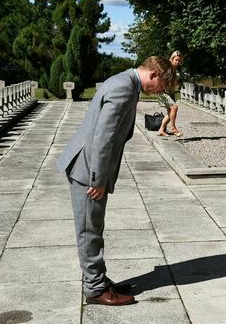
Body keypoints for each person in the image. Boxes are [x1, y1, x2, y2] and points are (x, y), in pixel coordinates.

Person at [56, 56, 176, 306]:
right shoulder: (124, 87)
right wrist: (97, 179)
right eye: (163, 84)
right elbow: (103, 136)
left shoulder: (126, 82)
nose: (162, 91)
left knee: (93, 228)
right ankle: (95, 288)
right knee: (89, 231)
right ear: (154, 73)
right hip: (87, 170)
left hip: (88, 166)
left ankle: (98, 278)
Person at [157, 50, 184, 137]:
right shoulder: (167, 67)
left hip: (171, 91)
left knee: (170, 112)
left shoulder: (177, 68)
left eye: (179, 60)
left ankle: (161, 130)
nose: (178, 62)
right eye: (176, 60)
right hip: (163, 91)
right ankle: (173, 128)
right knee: (174, 108)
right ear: (172, 59)